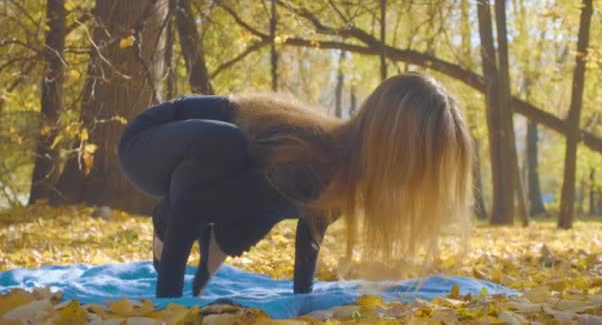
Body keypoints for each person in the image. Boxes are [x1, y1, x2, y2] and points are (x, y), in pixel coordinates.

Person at [117, 72, 473, 298]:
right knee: (222, 151)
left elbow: (312, 229)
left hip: (201, 170)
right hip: (147, 143)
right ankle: (164, 219)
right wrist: (169, 304)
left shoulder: (341, 177)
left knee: (239, 199)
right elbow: (191, 205)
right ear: (394, 146)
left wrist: (303, 297)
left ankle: (183, 221)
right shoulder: (307, 166)